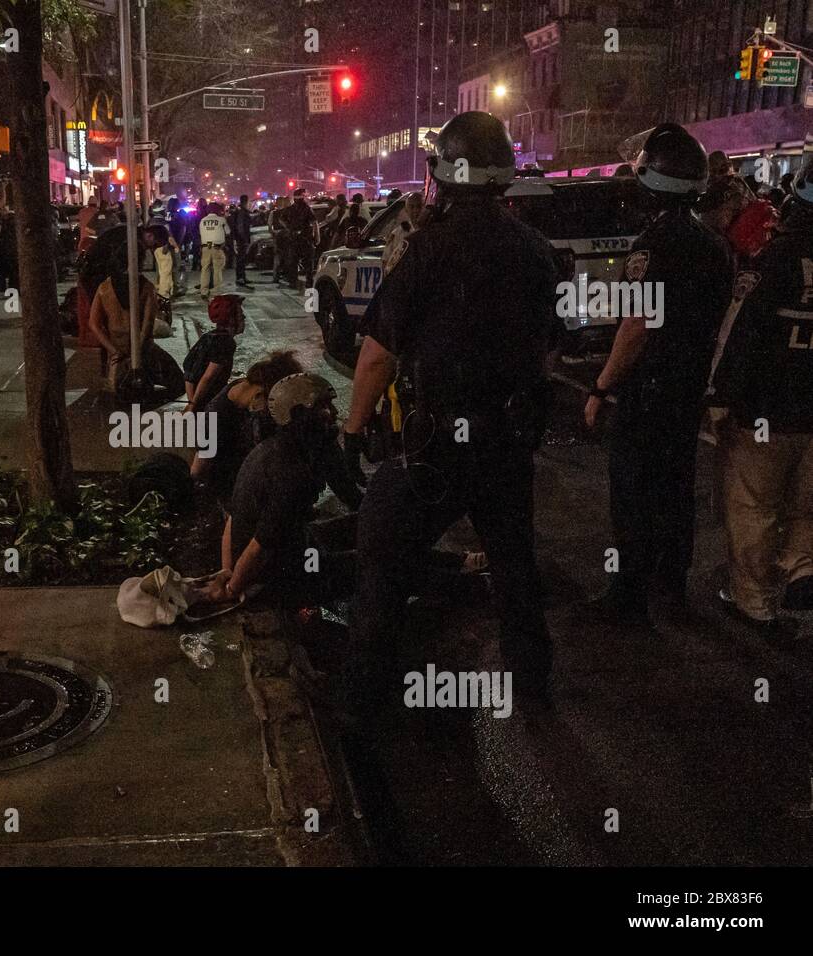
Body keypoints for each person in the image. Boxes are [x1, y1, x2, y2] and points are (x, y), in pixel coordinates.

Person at [341, 111, 559, 724]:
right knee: (514, 566)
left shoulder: (429, 250)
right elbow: (548, 345)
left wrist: (352, 430)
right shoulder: (536, 252)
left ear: (444, 175)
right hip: (505, 442)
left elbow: (377, 354)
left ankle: (361, 704)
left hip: (432, 444)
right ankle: (532, 686)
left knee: (381, 563)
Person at [580, 123, 734, 628]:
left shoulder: (653, 244)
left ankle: (628, 595)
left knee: (633, 491)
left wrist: (602, 386)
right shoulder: (713, 244)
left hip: (648, 391)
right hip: (687, 388)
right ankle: (671, 583)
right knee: (675, 486)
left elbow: (636, 327)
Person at [709, 156, 813, 643]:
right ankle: (798, 572)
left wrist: (722, 396)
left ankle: (755, 600)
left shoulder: (771, 261)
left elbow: (739, 334)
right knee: (805, 506)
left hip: (767, 412)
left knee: (754, 506)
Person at [203, 374, 356, 608]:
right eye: (323, 406)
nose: (334, 413)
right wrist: (233, 588)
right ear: (298, 416)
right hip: (281, 572)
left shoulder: (272, 447)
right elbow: (260, 545)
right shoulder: (293, 475)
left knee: (355, 527)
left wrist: (226, 568)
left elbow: (233, 518)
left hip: (286, 549)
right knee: (370, 564)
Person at [191, 350, 303, 508]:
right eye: (275, 404)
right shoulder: (214, 420)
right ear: (259, 395)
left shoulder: (246, 386)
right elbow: (198, 471)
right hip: (234, 491)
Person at [87, 263, 185, 401]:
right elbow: (147, 326)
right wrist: (136, 353)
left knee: (121, 391)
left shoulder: (104, 288)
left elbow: (93, 324)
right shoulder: (146, 287)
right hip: (144, 352)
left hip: (118, 354)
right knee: (179, 383)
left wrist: (113, 351)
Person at [183, 293, 243, 413]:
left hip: (200, 400)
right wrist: (193, 406)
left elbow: (189, 371)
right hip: (210, 402)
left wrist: (190, 401)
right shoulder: (226, 342)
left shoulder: (208, 336)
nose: (244, 319)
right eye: (241, 316)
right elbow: (208, 378)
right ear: (231, 319)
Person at [281, 188, 318, 291]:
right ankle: (308, 282)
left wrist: (288, 227)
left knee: (294, 261)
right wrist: (317, 237)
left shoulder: (291, 209)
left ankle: (294, 282)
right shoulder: (306, 208)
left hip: (296, 239)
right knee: (307, 262)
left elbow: (281, 219)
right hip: (304, 239)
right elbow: (314, 223)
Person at [197, 200, 230, 298]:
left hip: (205, 247)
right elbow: (228, 232)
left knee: (205, 269)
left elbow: (201, 233)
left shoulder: (202, 220)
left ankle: (204, 290)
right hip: (217, 247)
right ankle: (216, 291)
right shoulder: (221, 220)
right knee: (217, 269)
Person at [230, 194, 253, 288]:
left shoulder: (242, 212)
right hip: (242, 239)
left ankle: (242, 276)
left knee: (242, 259)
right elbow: (240, 227)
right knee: (241, 259)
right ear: (246, 202)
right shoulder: (242, 213)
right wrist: (244, 239)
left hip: (241, 238)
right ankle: (240, 278)